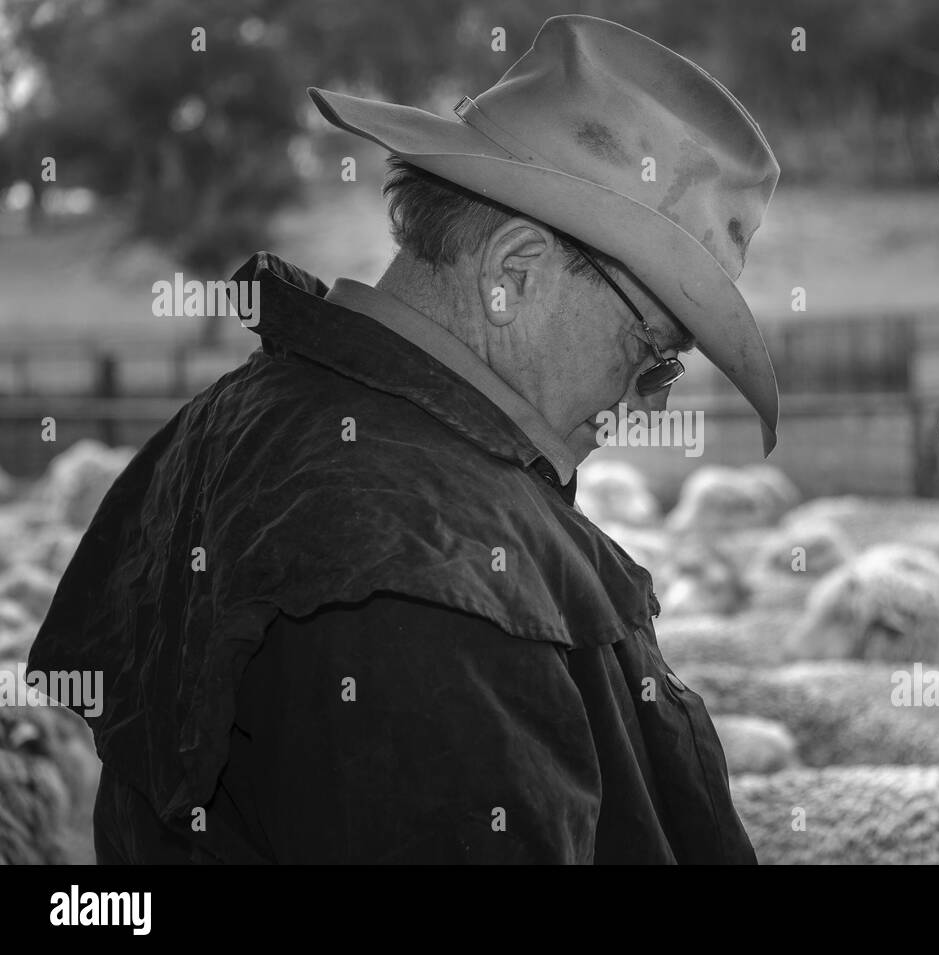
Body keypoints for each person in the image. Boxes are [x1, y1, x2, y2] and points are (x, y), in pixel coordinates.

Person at [29, 13, 781, 864]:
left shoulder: (242, 414)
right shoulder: (435, 579)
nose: (645, 402)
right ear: (514, 274)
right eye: (652, 355)